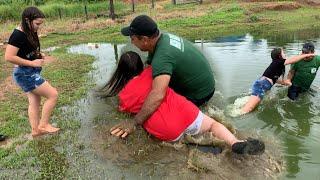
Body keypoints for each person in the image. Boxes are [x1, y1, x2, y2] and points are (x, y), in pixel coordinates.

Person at [107, 51, 265, 155]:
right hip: (186, 111)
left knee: (177, 141)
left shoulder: (124, 96)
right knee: (213, 125)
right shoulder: (152, 72)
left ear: (121, 71)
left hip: (166, 127)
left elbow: (124, 109)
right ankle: (234, 142)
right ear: (141, 66)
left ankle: (193, 147)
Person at [111, 15, 215, 137]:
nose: (131, 42)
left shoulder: (162, 57)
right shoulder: (160, 39)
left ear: (144, 39)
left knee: (155, 112)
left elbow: (158, 95)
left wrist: (135, 122)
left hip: (200, 94)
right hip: (204, 82)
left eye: (133, 38)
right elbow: (151, 67)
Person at [4, 7, 59, 137]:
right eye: (37, 24)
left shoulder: (29, 30)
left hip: (28, 72)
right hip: (25, 74)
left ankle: (35, 130)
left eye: (41, 24)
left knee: (34, 101)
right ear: (27, 20)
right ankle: (44, 125)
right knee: (53, 95)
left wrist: (38, 54)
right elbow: (8, 57)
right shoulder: (18, 35)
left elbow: (26, 50)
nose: (38, 27)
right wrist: (32, 63)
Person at [242, 48, 314, 114]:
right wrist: (307, 54)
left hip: (262, 85)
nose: (285, 54)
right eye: (283, 53)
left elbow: (274, 79)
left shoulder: (277, 65)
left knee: (252, 106)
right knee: (246, 110)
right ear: (279, 56)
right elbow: (293, 59)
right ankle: (234, 119)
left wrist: (284, 82)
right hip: (262, 85)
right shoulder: (278, 61)